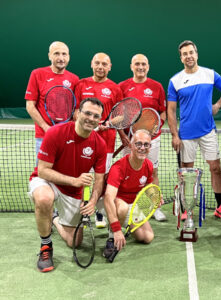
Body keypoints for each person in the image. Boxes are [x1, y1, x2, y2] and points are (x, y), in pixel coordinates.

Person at [29, 98, 107, 272]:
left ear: (99, 120)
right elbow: (42, 171)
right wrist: (74, 180)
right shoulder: (56, 132)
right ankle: (45, 246)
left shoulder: (99, 144)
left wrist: (93, 201)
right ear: (78, 113)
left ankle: (54, 218)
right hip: (48, 181)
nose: (91, 118)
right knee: (43, 199)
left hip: (73, 191)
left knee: (75, 242)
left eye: (96, 116)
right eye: (87, 113)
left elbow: (99, 180)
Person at [167, 40, 221, 222]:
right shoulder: (175, 81)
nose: (188, 56)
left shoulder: (209, 74)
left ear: (196, 54)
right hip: (186, 135)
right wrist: (174, 135)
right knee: (187, 174)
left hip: (208, 132)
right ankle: (187, 208)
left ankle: (220, 207)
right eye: (184, 54)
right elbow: (171, 110)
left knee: (216, 168)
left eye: (191, 52)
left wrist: (217, 105)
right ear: (181, 58)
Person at [74, 52, 124, 228]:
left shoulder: (115, 88)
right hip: (82, 141)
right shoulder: (81, 84)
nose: (100, 67)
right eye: (97, 63)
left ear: (110, 67)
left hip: (106, 143)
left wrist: (107, 123)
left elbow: (121, 115)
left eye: (104, 64)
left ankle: (99, 212)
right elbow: (75, 111)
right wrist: (83, 124)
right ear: (91, 64)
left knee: (101, 178)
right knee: (82, 177)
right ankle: (81, 211)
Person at [119, 54, 167, 222]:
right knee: (127, 172)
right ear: (131, 66)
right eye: (137, 64)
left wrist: (156, 127)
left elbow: (162, 111)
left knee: (152, 171)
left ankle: (154, 207)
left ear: (148, 67)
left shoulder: (157, 87)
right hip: (129, 138)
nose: (140, 67)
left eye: (144, 64)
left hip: (152, 138)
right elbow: (119, 114)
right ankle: (127, 204)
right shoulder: (123, 86)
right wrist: (123, 135)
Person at [101, 129, 160, 258]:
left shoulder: (148, 165)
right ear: (131, 146)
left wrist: (154, 197)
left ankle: (124, 228)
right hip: (112, 204)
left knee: (147, 237)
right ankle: (111, 239)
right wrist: (116, 229)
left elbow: (148, 187)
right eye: (138, 144)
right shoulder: (119, 167)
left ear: (150, 147)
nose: (142, 148)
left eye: (146, 145)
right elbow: (108, 198)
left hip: (132, 205)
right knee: (122, 208)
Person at [25, 41, 79, 157]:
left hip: (67, 137)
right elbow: (30, 106)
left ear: (69, 57)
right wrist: (46, 127)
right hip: (44, 136)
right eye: (56, 54)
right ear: (49, 55)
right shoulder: (37, 74)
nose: (61, 58)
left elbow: (75, 109)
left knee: (65, 172)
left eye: (64, 54)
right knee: (42, 173)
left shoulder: (74, 79)